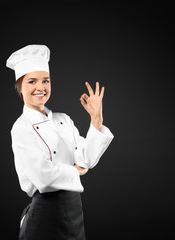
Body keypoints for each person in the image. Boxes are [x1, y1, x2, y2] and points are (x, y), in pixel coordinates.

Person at [6, 44, 114, 240]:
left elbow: (86, 159)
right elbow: (44, 178)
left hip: (73, 211)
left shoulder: (63, 119)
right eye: (32, 81)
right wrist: (75, 170)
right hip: (45, 213)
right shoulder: (21, 127)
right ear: (20, 87)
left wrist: (96, 120)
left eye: (45, 81)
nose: (41, 87)